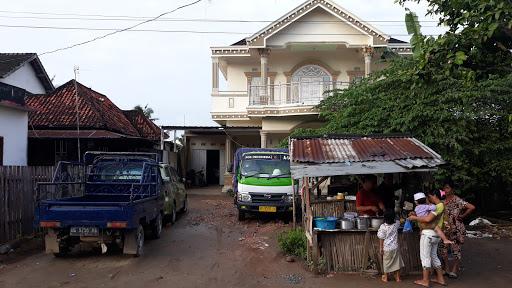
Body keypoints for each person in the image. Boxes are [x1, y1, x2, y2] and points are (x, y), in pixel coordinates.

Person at [408, 191, 446, 287]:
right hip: (436, 234)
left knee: (425, 257)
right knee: (434, 256)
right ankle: (441, 279)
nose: (430, 198)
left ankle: (425, 280)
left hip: (428, 233)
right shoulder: (433, 207)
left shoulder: (438, 206)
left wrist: (414, 218)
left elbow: (427, 219)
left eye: (430, 196)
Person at [439, 180, 476, 279]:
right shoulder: (442, 201)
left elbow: (472, 207)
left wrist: (463, 216)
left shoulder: (457, 200)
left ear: (452, 189)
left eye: (447, 188)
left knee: (456, 250)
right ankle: (446, 269)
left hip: (457, 229)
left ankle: (454, 270)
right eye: (445, 188)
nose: (445, 190)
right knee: (444, 250)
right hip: (445, 229)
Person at [377, 209, 404, 282]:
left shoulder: (383, 227)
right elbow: (400, 220)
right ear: (393, 217)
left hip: (387, 249)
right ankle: (397, 277)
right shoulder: (396, 224)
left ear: (384, 218)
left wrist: (381, 248)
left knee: (386, 263)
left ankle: (385, 277)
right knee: (396, 262)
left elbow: (381, 238)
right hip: (395, 247)